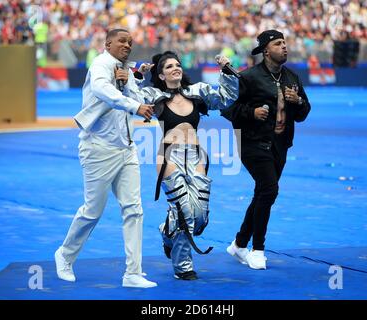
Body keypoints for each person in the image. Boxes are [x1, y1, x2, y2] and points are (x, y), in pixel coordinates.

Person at [119, 51, 238, 280]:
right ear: (162, 76)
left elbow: (227, 98)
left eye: (177, 65)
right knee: (185, 213)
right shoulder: (154, 95)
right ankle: (183, 267)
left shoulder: (198, 91)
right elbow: (130, 97)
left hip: (196, 156)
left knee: (200, 217)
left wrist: (226, 71)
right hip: (168, 157)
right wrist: (137, 75)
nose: (175, 68)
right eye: (169, 66)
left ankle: (167, 232)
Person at [54, 29, 157, 288]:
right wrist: (134, 105)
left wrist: (134, 80)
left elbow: (138, 98)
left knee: (134, 209)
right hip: (98, 149)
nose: (127, 45)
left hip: (127, 148)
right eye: (122, 41)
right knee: (92, 211)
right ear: (107, 43)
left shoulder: (124, 69)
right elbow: (101, 90)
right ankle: (65, 255)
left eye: (130, 42)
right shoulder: (101, 64)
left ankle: (133, 273)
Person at [221, 30, 311, 270]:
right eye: (278, 43)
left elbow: (304, 114)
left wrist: (298, 102)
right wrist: (252, 113)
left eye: (285, 42)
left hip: (280, 145)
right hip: (253, 144)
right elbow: (227, 109)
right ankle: (257, 249)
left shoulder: (292, 77)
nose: (284, 47)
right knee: (269, 189)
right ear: (265, 50)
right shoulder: (249, 78)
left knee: (263, 192)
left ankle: (239, 243)